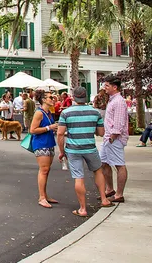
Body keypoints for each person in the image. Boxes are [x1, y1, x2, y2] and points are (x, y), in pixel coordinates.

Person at [56, 87, 112, 217]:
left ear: (73, 97)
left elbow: (60, 134)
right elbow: (101, 133)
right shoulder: (95, 112)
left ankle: (83, 208)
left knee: (79, 177)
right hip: (90, 147)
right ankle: (104, 199)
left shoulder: (66, 113)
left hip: (73, 149)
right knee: (98, 171)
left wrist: (62, 151)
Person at [100, 76, 128, 204]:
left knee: (119, 164)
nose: (104, 88)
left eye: (107, 85)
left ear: (115, 87)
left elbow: (119, 122)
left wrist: (113, 136)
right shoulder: (112, 100)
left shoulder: (119, 101)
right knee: (103, 162)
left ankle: (119, 194)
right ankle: (110, 189)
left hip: (114, 138)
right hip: (108, 137)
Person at [29, 89, 59, 209]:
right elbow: (32, 130)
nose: (53, 99)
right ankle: (42, 197)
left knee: (46, 170)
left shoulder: (49, 112)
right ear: (43, 99)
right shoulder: (39, 113)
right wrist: (49, 128)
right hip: (41, 143)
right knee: (44, 169)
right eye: (50, 97)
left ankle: (44, 195)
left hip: (48, 142)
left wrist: (52, 128)